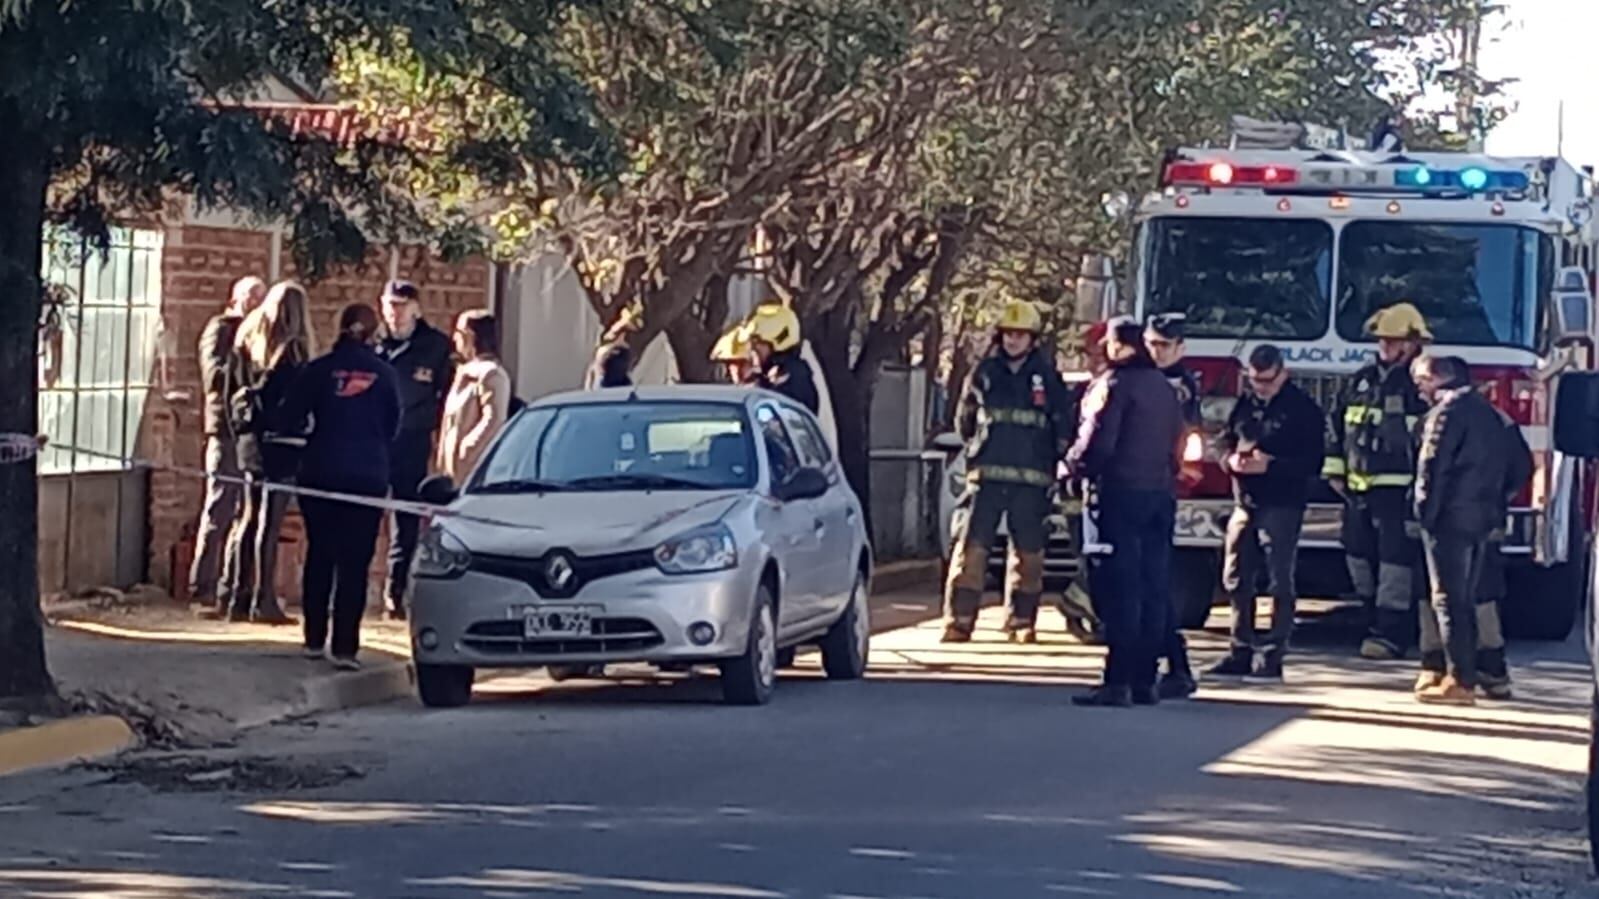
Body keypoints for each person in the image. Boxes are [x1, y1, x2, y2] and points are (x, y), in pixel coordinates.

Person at [941, 300, 1073, 644]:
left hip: (1031, 481)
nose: (1013, 340)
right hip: (987, 478)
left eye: (1021, 335)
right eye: (1008, 334)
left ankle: (1020, 623)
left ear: (1033, 339)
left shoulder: (1047, 378)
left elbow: (1062, 427)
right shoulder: (984, 373)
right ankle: (959, 621)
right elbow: (965, 422)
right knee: (972, 550)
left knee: (1028, 555)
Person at [1068, 317, 1184, 707]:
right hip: (1160, 496)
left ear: (1118, 347)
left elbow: (1098, 442)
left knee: (1121, 590)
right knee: (1153, 588)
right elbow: (1177, 445)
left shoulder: (1114, 386)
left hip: (1120, 496)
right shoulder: (1164, 389)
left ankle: (1117, 681)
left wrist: (1072, 467)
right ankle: (1144, 681)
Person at [283, 303, 402, 670]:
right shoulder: (385, 375)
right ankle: (346, 647)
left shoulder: (318, 371)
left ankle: (314, 639)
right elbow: (393, 425)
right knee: (355, 561)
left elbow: (291, 416)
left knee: (320, 553)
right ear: (374, 331)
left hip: (321, 472)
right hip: (367, 477)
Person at [1411, 355, 1528, 704]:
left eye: (1421, 380)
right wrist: (1494, 501)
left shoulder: (1445, 414)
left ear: (1438, 378)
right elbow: (1519, 466)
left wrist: (1423, 515)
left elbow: (1432, 468)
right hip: (1481, 519)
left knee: (1448, 600)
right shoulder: (1491, 414)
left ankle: (1459, 681)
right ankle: (1473, 673)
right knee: (1468, 598)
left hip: (1447, 521)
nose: (1418, 387)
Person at [1206, 344, 1325, 682]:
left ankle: (1273, 654)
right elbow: (1222, 443)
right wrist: (1228, 460)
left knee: (1279, 580)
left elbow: (1313, 463)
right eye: (1255, 380)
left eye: (1267, 381)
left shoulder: (1303, 410)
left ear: (1282, 374)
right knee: (1236, 576)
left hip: (1283, 503)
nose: (1260, 388)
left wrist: (1271, 466)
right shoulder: (1245, 405)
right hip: (1245, 502)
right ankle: (1239, 649)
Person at [1323, 301, 1430, 660]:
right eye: (1383, 340)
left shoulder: (1421, 384)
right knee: (1357, 556)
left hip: (1398, 490)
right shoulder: (1362, 379)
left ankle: (1391, 633)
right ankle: (1370, 619)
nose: (1386, 347)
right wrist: (1335, 470)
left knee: (1394, 564)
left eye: (1394, 341)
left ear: (1413, 343)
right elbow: (1337, 426)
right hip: (1357, 488)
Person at [217, 281, 317, 624]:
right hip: (282, 443)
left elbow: (228, 388)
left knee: (248, 516)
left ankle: (236, 595)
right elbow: (297, 400)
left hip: (250, 439)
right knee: (269, 522)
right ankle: (265, 599)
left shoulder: (247, 340)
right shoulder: (293, 351)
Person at [376, 280, 454, 620]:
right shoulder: (374, 345)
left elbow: (446, 397)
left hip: (412, 441)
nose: (396, 312)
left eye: (402, 305)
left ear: (416, 308)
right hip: (375, 442)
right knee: (365, 515)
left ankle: (397, 591)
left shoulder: (435, 347)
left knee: (406, 519)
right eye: (391, 305)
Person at [189, 275, 266, 617]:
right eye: (251, 298)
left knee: (244, 513)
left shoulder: (261, 333)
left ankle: (230, 586)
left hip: (250, 432)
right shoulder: (221, 329)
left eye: (261, 299)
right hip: (224, 430)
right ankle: (200, 586)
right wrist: (247, 365)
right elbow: (214, 376)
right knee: (219, 506)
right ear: (235, 299)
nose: (256, 305)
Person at [1145, 313, 1202, 699]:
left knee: (1149, 581)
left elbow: (1189, 441)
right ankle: (1163, 665)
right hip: (1139, 487)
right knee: (1145, 582)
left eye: (1164, 345)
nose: (1157, 351)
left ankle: (1166, 665)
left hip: (1155, 489)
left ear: (1180, 347)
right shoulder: (1141, 378)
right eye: (1152, 344)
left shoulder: (1181, 386)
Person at [437, 310, 512, 483]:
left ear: (470, 336)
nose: (454, 339)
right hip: (450, 473)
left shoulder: (491, 374)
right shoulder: (464, 373)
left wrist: (467, 450)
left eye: (458, 333)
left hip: (472, 474)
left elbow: (494, 419)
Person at [743, 304, 820, 414]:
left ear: (779, 340)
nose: (753, 349)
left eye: (758, 342)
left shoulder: (792, 379)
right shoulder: (772, 376)